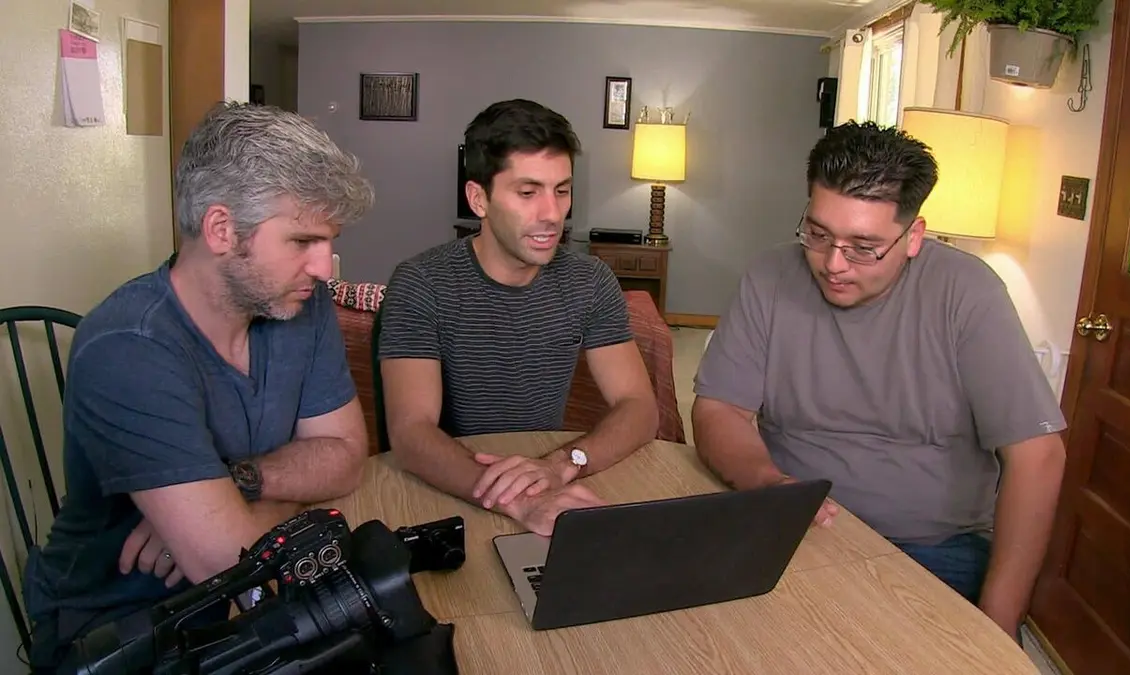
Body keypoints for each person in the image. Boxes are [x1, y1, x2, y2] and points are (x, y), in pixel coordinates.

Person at [22, 102, 374, 670]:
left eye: (327, 241)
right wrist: (268, 505)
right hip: (120, 629)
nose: (323, 267)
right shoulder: (127, 346)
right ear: (221, 229)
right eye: (301, 241)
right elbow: (226, 563)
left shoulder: (301, 307)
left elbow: (347, 458)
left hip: (245, 606)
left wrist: (236, 485)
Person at [691, 121, 1066, 641]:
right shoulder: (769, 276)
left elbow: (1038, 457)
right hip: (792, 527)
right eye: (818, 234)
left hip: (933, 548)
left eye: (864, 246)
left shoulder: (969, 293)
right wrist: (767, 483)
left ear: (914, 237)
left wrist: (999, 625)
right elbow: (718, 410)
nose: (833, 264)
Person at [377, 99, 658, 535]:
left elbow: (639, 407)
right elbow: (411, 433)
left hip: (547, 474)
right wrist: (519, 499)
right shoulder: (421, 283)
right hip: (450, 492)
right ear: (479, 199)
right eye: (528, 193)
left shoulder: (590, 280)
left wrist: (565, 464)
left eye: (561, 191)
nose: (552, 214)